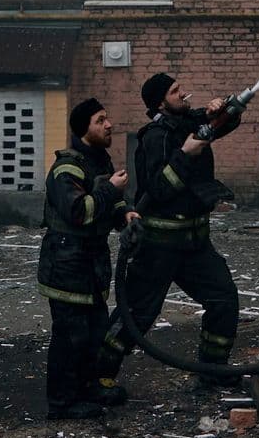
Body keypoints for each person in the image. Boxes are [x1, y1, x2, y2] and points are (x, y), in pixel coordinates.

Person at [94, 71, 243, 391]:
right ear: (161, 101)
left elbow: (218, 126)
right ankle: (97, 375)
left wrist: (227, 109)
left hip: (195, 243)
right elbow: (160, 189)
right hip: (159, 245)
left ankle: (212, 369)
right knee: (137, 314)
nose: (183, 93)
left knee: (224, 299)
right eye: (176, 91)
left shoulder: (188, 122)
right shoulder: (155, 136)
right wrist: (186, 153)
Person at [38, 97, 138, 419]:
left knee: (94, 332)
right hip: (67, 264)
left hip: (91, 265)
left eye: (106, 118)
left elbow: (112, 203)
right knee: (71, 336)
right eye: (100, 120)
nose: (109, 125)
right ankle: (63, 403)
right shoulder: (67, 168)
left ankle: (88, 388)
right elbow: (79, 212)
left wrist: (125, 215)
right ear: (84, 130)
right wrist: (110, 190)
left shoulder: (99, 162)